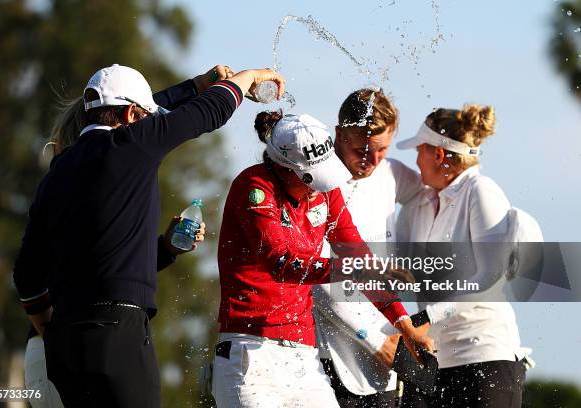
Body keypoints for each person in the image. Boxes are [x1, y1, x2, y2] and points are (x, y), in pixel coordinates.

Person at [13, 63, 284, 408]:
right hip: (118, 334)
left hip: (64, 343)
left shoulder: (57, 171)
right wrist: (246, 79)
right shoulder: (131, 144)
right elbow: (207, 112)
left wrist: (48, 330)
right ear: (130, 114)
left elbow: (26, 274)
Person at [212, 110, 433, 408]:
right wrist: (353, 270)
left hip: (304, 355)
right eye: (312, 180)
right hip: (251, 353)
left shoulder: (326, 192)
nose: (319, 189)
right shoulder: (254, 187)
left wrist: (404, 326)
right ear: (285, 169)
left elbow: (356, 253)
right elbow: (281, 262)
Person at [395, 104, 527, 407]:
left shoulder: (481, 191)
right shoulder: (421, 204)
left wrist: (426, 317)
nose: (416, 161)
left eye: (419, 151)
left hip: (487, 360)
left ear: (438, 155)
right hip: (438, 364)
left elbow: (490, 280)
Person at [312, 88, 425, 408]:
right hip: (327, 358)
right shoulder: (316, 183)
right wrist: (376, 341)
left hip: (386, 357)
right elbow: (315, 279)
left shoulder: (391, 174)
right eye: (362, 150)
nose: (372, 161)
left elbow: (434, 193)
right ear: (339, 135)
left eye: (383, 149)